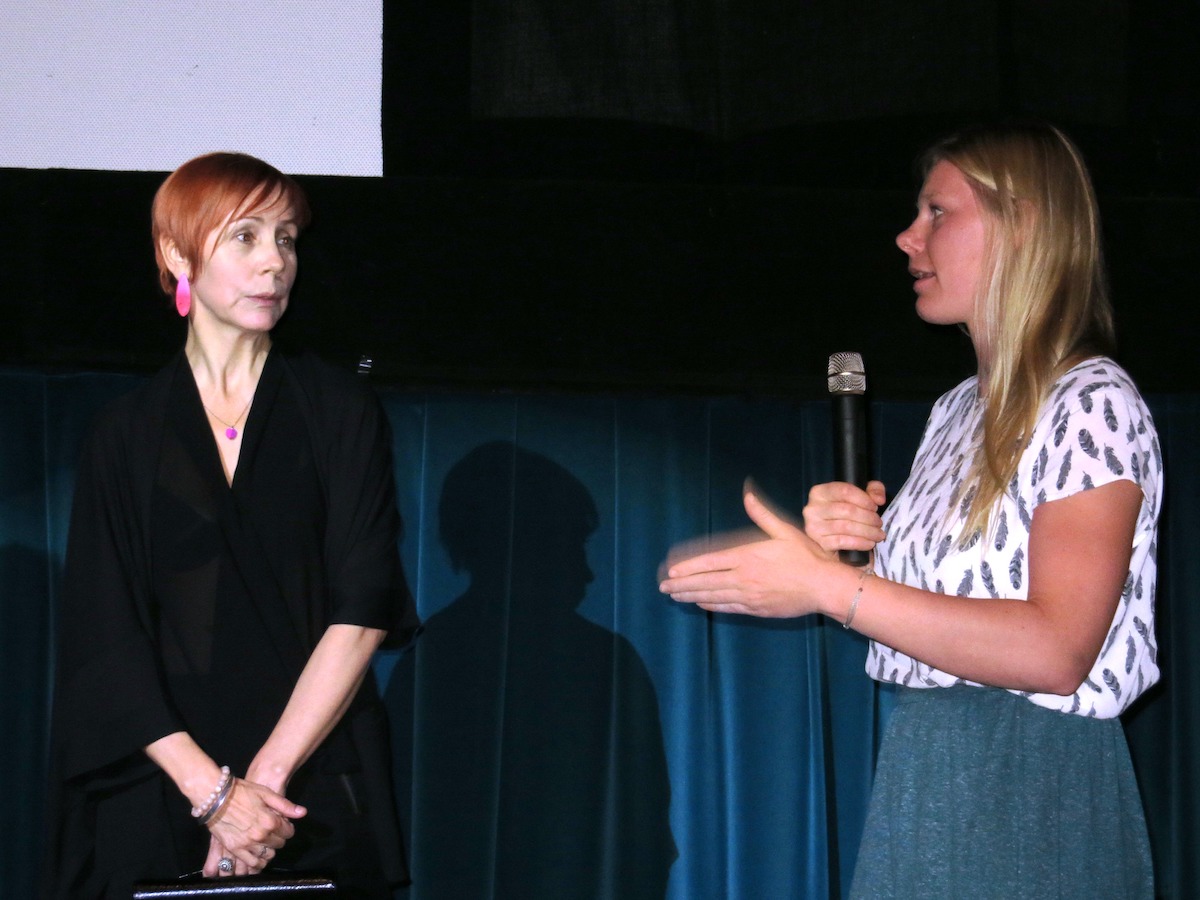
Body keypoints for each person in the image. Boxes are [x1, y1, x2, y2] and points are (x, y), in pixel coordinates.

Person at [659, 122, 1161, 898]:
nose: (906, 237)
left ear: (1022, 226)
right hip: (930, 768)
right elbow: (936, 614)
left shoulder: (1091, 401)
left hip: (1033, 787)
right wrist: (840, 554)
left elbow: (1057, 648)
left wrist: (831, 590)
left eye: (937, 213)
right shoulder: (958, 410)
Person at [42, 152, 420, 899]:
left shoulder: (336, 409)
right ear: (176, 253)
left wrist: (262, 792)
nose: (274, 263)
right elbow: (103, 633)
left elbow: (366, 602)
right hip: (157, 785)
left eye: (286, 239)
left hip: (306, 786)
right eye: (245, 237)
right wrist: (213, 796)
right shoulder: (125, 433)